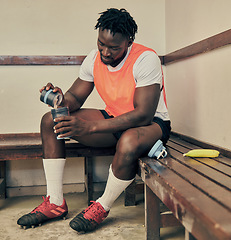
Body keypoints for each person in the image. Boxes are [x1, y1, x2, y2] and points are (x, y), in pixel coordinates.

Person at [17, 8, 170, 232]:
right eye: (101, 44)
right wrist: (59, 99)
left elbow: (143, 114)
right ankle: (55, 202)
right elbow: (75, 98)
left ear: (129, 41)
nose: (105, 52)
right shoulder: (93, 58)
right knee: (50, 121)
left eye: (114, 47)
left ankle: (102, 205)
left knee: (128, 141)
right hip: (113, 120)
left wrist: (90, 126)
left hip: (151, 125)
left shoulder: (146, 59)